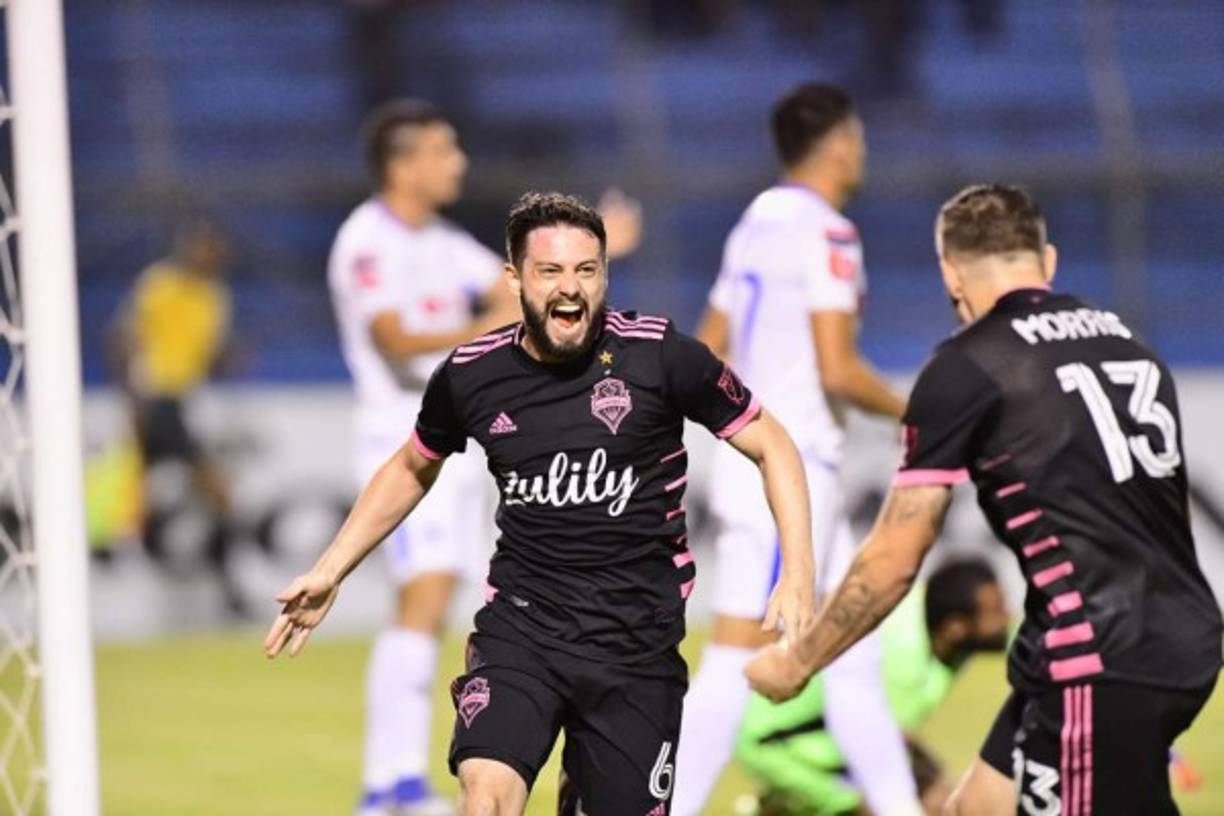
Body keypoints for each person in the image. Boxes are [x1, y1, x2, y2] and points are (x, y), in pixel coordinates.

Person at [271, 191, 815, 816]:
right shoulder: (472, 375)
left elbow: (774, 444)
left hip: (636, 648)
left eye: (587, 270)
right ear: (515, 280)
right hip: (522, 635)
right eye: (550, 271)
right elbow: (411, 465)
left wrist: (797, 572)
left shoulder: (660, 355)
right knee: (487, 798)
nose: (571, 288)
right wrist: (329, 568)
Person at [746, 184, 1223, 816]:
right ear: (1047, 261)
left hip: (1094, 654)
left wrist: (799, 661)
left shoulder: (968, 367)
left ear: (950, 273)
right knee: (976, 808)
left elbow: (894, 557)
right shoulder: (1127, 345)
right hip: (1168, 632)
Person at [329, 101, 642, 816]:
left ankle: (406, 782)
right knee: (424, 595)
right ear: (404, 165)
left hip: (461, 442)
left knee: (452, 602)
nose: (459, 163)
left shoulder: (440, 240)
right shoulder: (367, 243)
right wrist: (501, 321)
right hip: (401, 441)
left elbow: (520, 281)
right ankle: (389, 787)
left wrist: (595, 253)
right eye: (444, 150)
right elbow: (397, 343)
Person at [676, 82, 914, 815]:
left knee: (850, 658)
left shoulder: (756, 220)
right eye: (860, 138)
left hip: (759, 460)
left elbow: (708, 344)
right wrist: (925, 413)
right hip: (789, 473)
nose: (863, 150)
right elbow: (838, 368)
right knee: (732, 655)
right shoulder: (826, 231)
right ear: (839, 143)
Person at [736, 558, 1008, 816]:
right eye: (995, 612)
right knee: (899, 802)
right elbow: (885, 743)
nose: (1007, 619)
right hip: (781, 743)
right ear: (956, 627)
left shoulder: (932, 625)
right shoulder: (903, 655)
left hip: (830, 736)